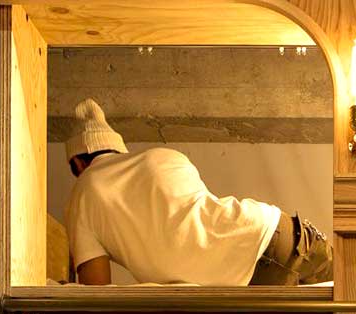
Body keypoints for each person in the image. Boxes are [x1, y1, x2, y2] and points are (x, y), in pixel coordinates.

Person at [63, 98, 333, 286]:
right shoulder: (162, 156)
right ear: (117, 149)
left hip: (244, 277)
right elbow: (198, 217)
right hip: (275, 230)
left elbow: (96, 289)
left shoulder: (84, 192)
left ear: (77, 162)